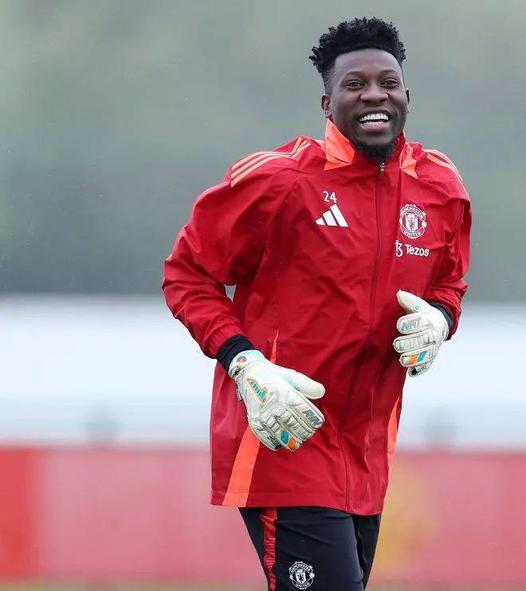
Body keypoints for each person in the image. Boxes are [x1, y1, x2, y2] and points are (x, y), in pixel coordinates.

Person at [163, 17, 471, 591]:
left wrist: (440, 319)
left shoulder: (440, 187)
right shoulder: (280, 181)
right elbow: (188, 275)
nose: (374, 94)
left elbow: (450, 281)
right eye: (355, 84)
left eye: (388, 82)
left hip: (368, 455)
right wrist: (246, 364)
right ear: (328, 104)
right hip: (284, 437)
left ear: (407, 95)